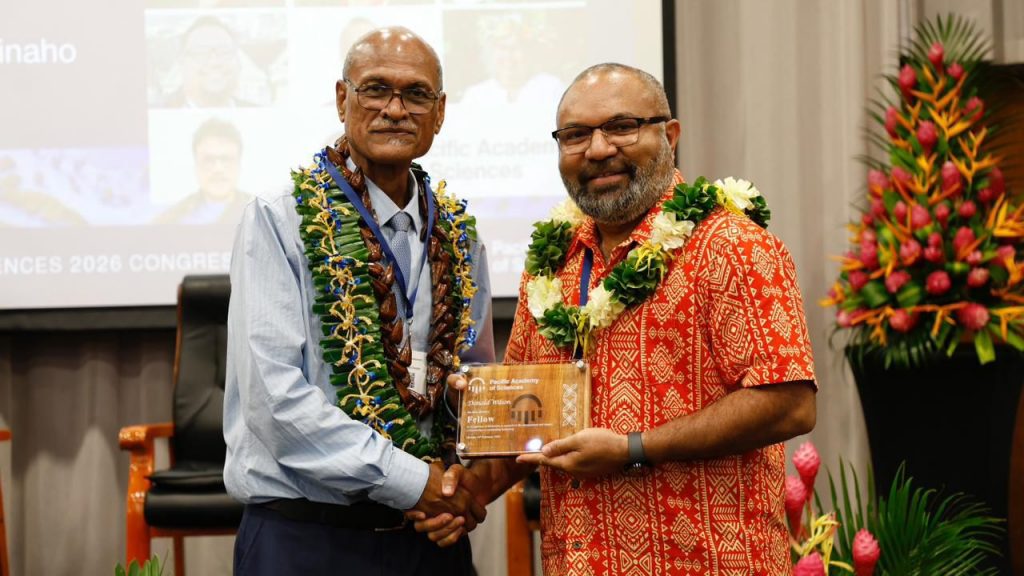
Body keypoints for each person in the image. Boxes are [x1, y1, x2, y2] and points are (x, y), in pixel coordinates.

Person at [413, 63, 817, 575]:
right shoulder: (550, 264)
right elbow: (526, 424)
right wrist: (468, 493)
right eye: (576, 135)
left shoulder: (733, 246)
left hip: (707, 562)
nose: (599, 149)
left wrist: (632, 449)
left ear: (670, 135)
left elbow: (789, 404)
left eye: (622, 127)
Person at [224, 26, 495, 575]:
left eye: (416, 94)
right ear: (343, 98)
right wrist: (415, 482)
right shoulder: (280, 218)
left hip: (430, 537)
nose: (395, 109)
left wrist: (464, 474)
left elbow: (474, 378)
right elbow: (273, 400)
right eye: (376, 89)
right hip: (308, 537)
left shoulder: (459, 235)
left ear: (439, 113)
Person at [154, 118, 250, 225]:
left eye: (226, 159)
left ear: (239, 164)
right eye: (209, 160)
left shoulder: (260, 215)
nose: (218, 169)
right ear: (196, 165)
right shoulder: (171, 218)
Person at [160, 16, 254, 108]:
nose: (214, 62)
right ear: (182, 63)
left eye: (224, 51)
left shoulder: (257, 114)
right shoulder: (159, 116)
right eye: (201, 52)